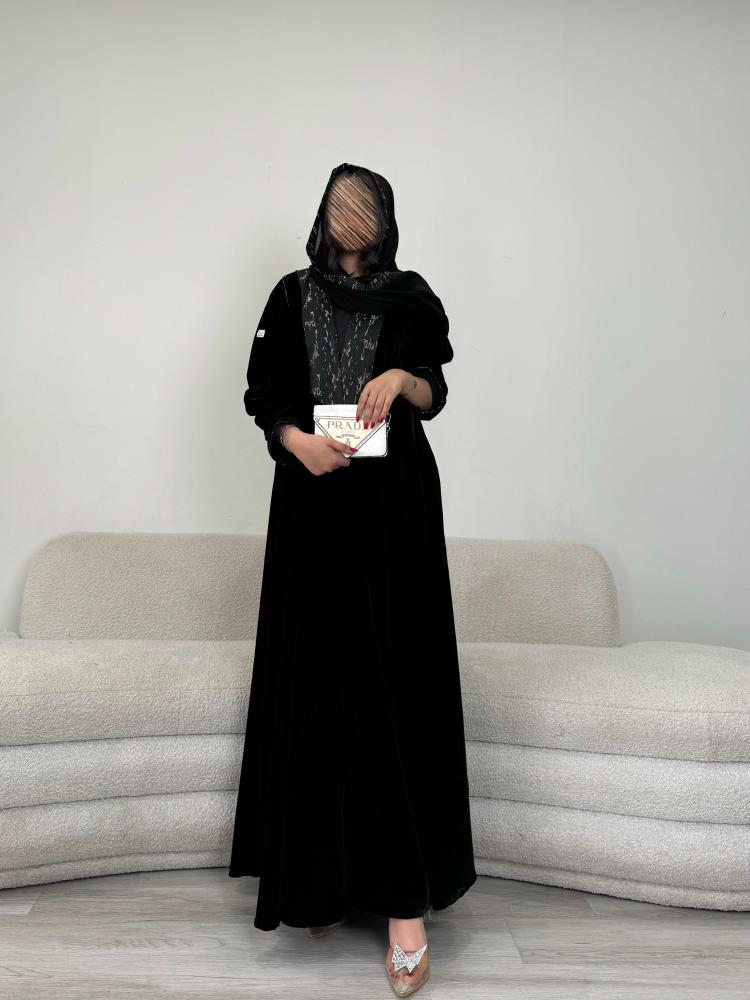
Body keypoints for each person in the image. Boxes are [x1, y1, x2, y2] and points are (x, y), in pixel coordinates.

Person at [228, 161, 477, 997]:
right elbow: (263, 394)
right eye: (341, 204)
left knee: (398, 690)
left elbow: (434, 391)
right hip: (313, 505)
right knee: (319, 686)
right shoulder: (288, 295)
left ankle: (406, 908)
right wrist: (296, 442)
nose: (352, 218)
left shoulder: (412, 297)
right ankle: (321, 884)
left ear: (385, 215)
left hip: (395, 509)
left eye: (365, 205)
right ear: (324, 213)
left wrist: (402, 380)